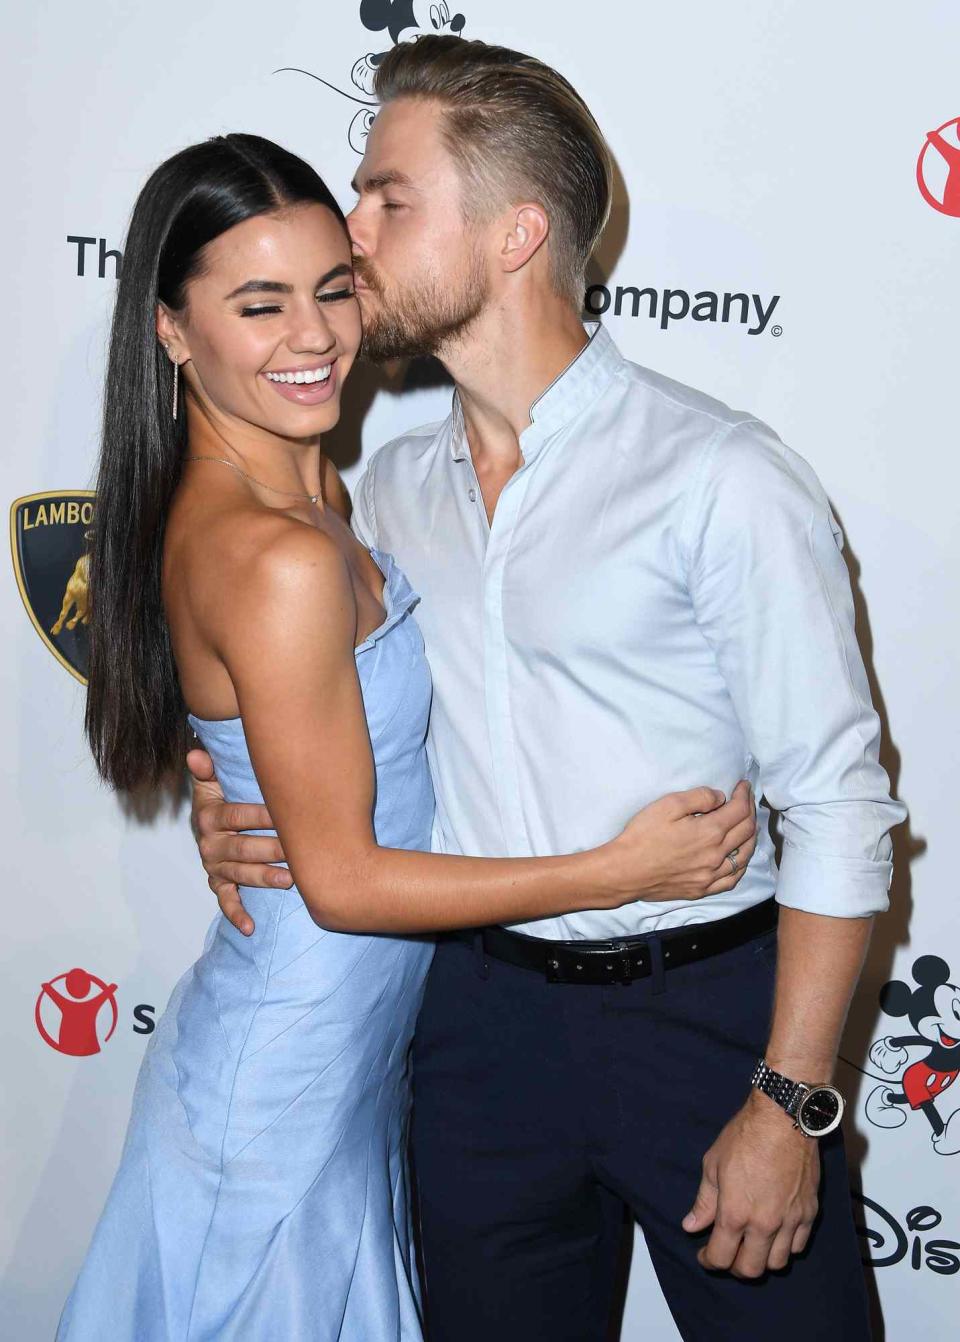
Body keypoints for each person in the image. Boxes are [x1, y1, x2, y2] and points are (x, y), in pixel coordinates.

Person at [192, 37, 907, 1342]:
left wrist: (793, 1097)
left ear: (515, 233)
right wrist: (224, 791)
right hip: (474, 1035)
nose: (349, 232)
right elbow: (334, 733)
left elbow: (843, 804)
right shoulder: (387, 494)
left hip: (714, 1025)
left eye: (387, 199)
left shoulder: (720, 479)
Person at [59, 131, 756, 1342]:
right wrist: (620, 870)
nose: (316, 336)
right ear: (173, 329)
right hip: (278, 1097)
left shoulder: (334, 489)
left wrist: (228, 793)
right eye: (259, 304)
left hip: (348, 1078)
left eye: (335, 288)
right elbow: (342, 880)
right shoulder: (275, 551)